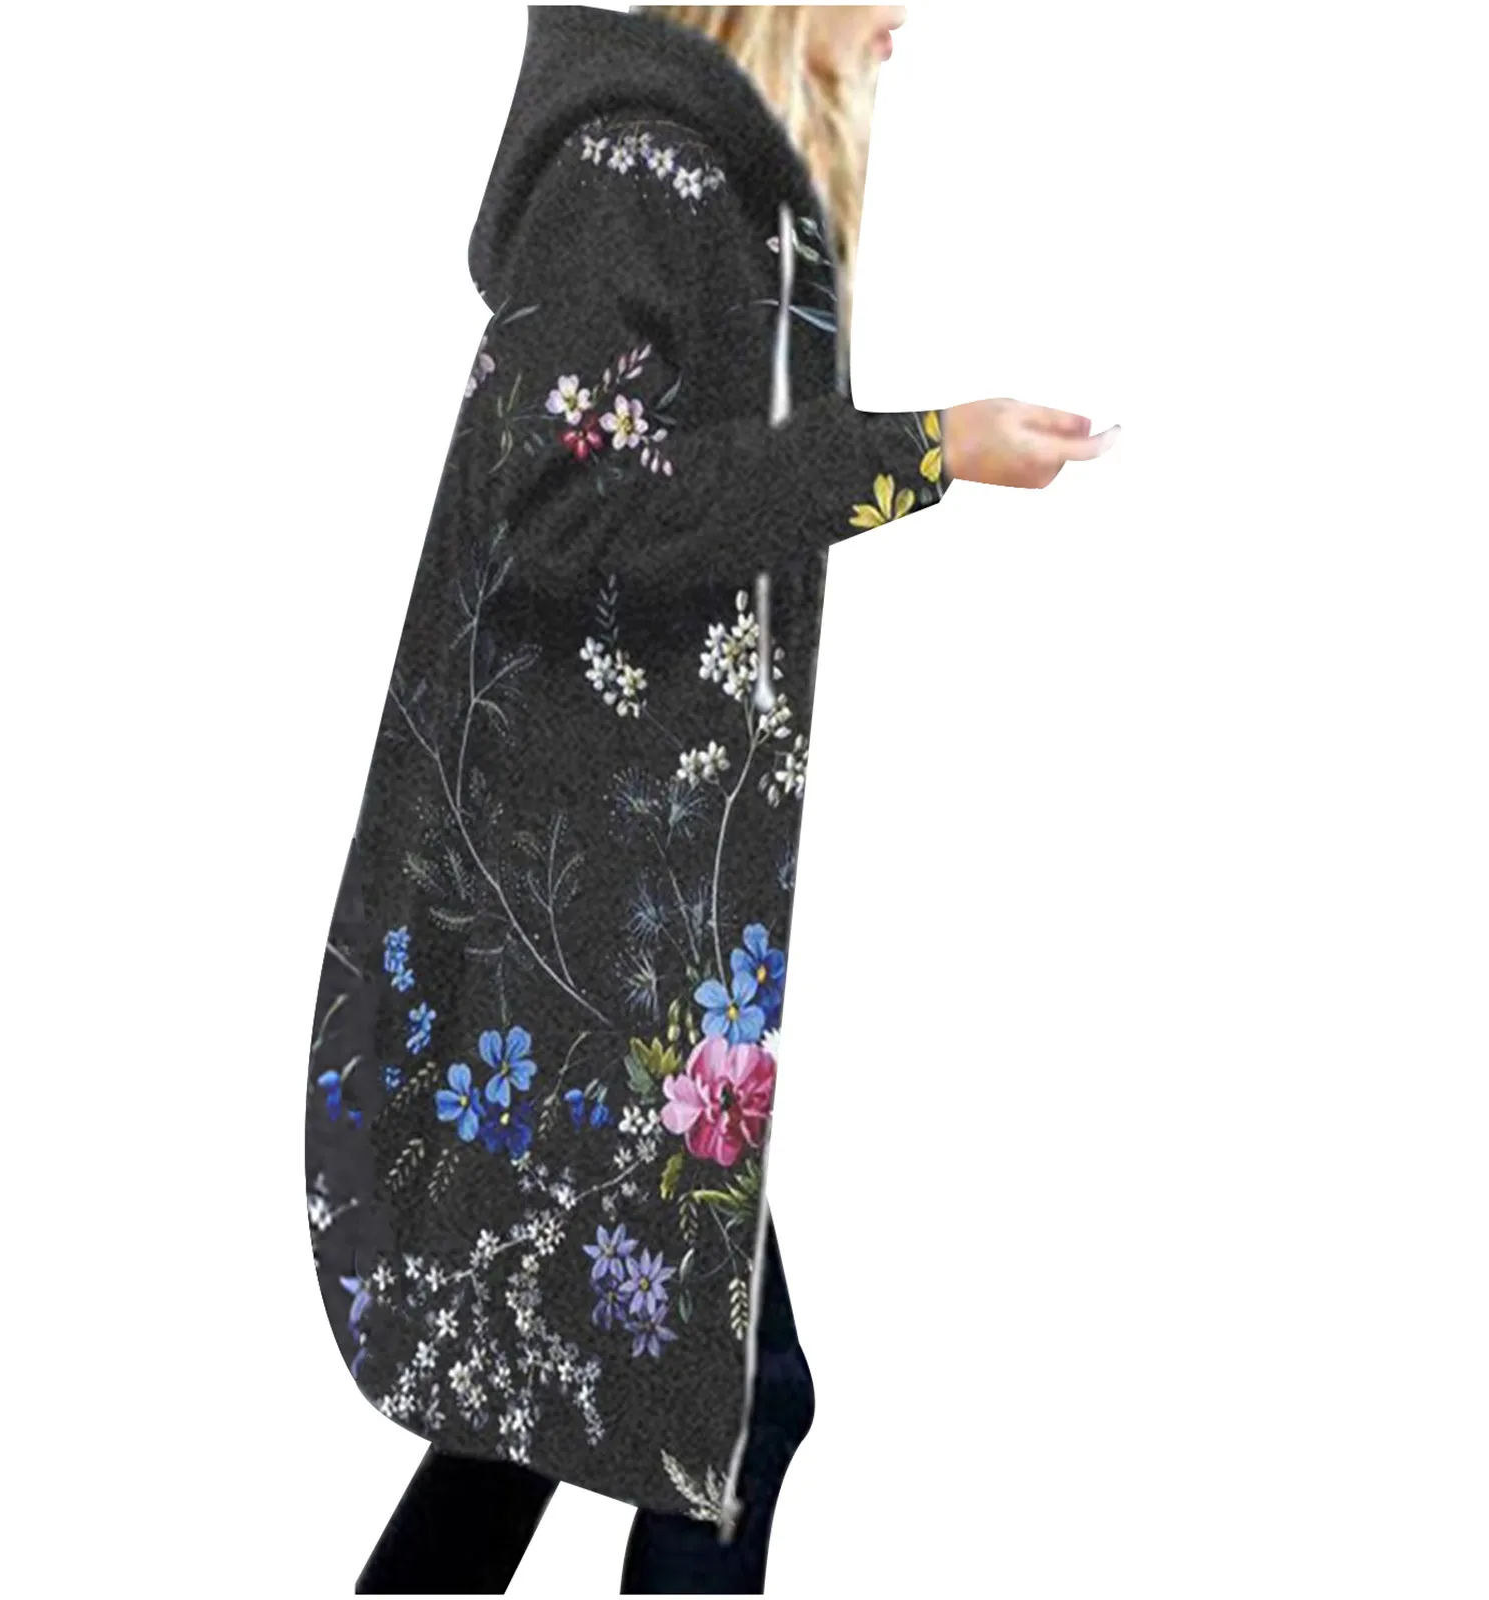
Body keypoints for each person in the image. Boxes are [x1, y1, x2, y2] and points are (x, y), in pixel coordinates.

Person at [305, 5, 1118, 1591]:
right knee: (729, 1402)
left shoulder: (712, 180)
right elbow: (559, 505)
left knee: (560, 1394)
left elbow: (677, 501)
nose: (905, 16)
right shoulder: (634, 169)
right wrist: (925, 451)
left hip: (631, 902)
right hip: (576, 920)